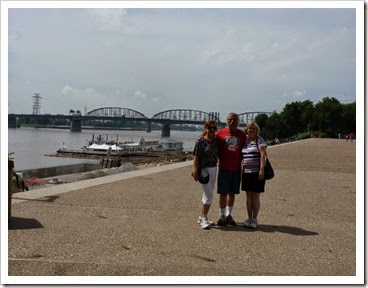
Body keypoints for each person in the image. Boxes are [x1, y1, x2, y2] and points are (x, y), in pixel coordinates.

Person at [215, 113, 246, 226]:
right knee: (222, 193)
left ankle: (229, 215)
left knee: (232, 193)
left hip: (236, 169)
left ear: (238, 121)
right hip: (223, 168)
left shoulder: (242, 135)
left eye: (234, 120)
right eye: (230, 119)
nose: (232, 121)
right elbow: (209, 140)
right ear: (226, 121)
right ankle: (221, 215)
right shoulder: (220, 133)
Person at [192, 120, 219, 229]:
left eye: (214, 128)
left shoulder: (216, 141)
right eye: (210, 128)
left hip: (214, 168)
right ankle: (203, 217)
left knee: (207, 193)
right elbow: (196, 157)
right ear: (206, 128)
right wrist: (195, 170)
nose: (212, 130)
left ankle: (201, 217)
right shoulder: (200, 141)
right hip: (203, 169)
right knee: (209, 194)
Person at [241, 121, 267, 229]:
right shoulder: (245, 141)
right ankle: (249, 218)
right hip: (246, 173)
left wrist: (261, 169)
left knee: (255, 196)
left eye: (253, 129)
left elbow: (263, 154)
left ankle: (255, 219)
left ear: (257, 130)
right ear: (246, 130)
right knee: (248, 196)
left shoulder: (259, 139)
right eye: (249, 128)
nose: (251, 130)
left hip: (257, 172)